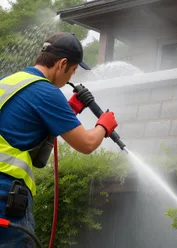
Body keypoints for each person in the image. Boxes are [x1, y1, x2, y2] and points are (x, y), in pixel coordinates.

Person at [0, 32, 118, 247]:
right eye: (72, 71)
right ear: (62, 64)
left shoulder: (10, 82)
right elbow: (87, 143)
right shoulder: (46, 92)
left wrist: (69, 110)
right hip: (5, 194)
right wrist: (104, 125)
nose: (70, 79)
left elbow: (18, 130)